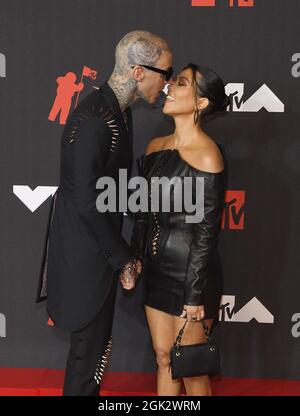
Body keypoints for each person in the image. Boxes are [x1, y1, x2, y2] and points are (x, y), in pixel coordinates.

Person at [37, 30, 173, 396]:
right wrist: (122, 259)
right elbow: (85, 201)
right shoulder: (97, 119)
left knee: (94, 356)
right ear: (139, 71)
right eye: (165, 71)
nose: (168, 82)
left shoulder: (118, 112)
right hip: (85, 257)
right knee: (86, 361)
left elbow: (106, 191)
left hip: (96, 252)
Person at [128, 63, 229, 396]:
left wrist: (194, 295)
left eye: (181, 83)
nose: (169, 87)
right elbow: (142, 212)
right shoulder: (155, 146)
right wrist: (135, 257)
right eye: (172, 81)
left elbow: (205, 234)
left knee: (190, 369)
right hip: (156, 271)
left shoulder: (209, 156)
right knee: (163, 358)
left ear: (201, 103)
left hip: (191, 275)